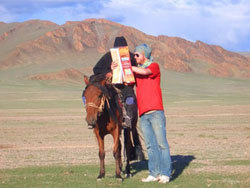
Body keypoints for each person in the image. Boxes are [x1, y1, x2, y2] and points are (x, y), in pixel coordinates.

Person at [93, 36, 145, 161]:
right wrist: (108, 71)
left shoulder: (132, 57)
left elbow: (141, 69)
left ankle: (129, 119)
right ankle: (96, 115)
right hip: (113, 86)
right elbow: (96, 70)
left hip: (126, 87)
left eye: (122, 48)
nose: (120, 50)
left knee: (130, 100)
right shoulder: (108, 56)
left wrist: (131, 78)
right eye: (118, 48)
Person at [131, 44, 172, 183]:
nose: (135, 57)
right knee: (150, 145)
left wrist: (129, 68)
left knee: (161, 144)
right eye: (134, 55)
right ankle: (154, 173)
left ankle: (165, 173)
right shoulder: (136, 71)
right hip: (143, 114)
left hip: (155, 112)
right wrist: (116, 68)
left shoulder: (154, 66)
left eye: (137, 54)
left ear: (144, 55)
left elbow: (145, 72)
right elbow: (125, 81)